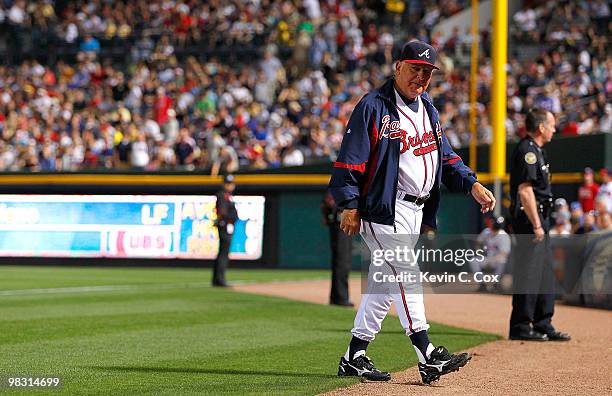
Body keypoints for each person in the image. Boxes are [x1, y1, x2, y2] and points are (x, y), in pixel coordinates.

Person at [328, 40, 496, 384]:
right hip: (383, 208)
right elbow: (351, 157)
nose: (420, 77)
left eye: (427, 72)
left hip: (415, 210)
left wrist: (472, 184)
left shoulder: (428, 108)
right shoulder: (374, 106)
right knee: (406, 272)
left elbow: (446, 157)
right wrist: (348, 204)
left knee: (383, 282)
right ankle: (427, 352)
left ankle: (355, 355)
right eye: (414, 69)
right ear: (397, 68)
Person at [508, 108, 570, 342]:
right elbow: (525, 191)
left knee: (544, 273)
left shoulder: (538, 150)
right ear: (541, 127)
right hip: (530, 219)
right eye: (552, 124)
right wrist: (536, 225)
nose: (554, 128)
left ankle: (543, 323)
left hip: (541, 217)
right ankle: (521, 326)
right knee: (529, 273)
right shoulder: (527, 150)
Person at [321, 193, 354, 307]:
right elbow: (327, 202)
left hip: (340, 223)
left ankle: (337, 298)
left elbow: (326, 204)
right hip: (340, 224)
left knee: (341, 262)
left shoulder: (342, 184)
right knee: (342, 262)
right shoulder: (342, 184)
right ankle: (340, 298)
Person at [469, 216, 511, 291]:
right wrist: (479, 252)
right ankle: (482, 285)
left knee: (502, 260)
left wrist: (492, 259)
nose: (492, 227)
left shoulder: (504, 236)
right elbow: (478, 243)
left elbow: (504, 254)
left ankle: (496, 285)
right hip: (487, 258)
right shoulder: (486, 231)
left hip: (497, 259)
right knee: (473, 260)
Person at [212, 174, 238, 287]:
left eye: (231, 183)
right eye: (228, 183)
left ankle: (217, 279)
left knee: (223, 253)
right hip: (225, 226)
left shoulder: (228, 195)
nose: (230, 185)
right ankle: (220, 279)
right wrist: (219, 221)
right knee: (223, 254)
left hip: (227, 225)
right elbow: (222, 212)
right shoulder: (223, 195)